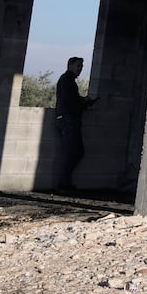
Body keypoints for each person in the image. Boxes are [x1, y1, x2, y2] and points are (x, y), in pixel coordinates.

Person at [54, 56, 96, 193]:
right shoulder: (67, 81)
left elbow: (71, 100)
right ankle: (63, 184)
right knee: (73, 152)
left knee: (74, 152)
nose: (80, 69)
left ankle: (65, 183)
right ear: (70, 66)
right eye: (78, 66)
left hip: (68, 119)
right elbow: (70, 102)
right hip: (69, 119)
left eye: (81, 66)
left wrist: (82, 101)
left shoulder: (68, 81)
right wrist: (84, 103)